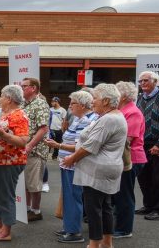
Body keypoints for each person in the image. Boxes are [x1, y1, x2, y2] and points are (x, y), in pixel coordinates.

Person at [62, 83, 127, 248]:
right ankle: (106, 242)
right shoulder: (113, 116)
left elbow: (91, 145)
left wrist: (72, 158)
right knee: (104, 207)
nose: (93, 102)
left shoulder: (109, 119)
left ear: (105, 101)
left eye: (96, 98)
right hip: (105, 168)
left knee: (94, 209)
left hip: (98, 170)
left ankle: (94, 244)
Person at [45, 90, 97, 243]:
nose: (70, 106)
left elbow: (80, 146)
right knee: (69, 197)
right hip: (68, 163)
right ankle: (69, 227)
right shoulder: (79, 118)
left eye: (72, 103)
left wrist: (57, 145)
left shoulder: (86, 121)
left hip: (74, 164)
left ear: (82, 105)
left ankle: (74, 231)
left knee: (73, 197)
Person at [0, 84, 29, 242]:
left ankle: (6, 231)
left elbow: (23, 141)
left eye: (1, 96)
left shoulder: (19, 116)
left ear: (9, 99)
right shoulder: (0, 113)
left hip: (9, 162)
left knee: (5, 196)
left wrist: (4, 135)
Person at [112, 81, 147, 238]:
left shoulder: (132, 112)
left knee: (124, 195)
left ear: (124, 96)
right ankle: (119, 225)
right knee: (119, 194)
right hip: (125, 158)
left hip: (131, 158)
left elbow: (128, 139)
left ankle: (124, 229)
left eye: (116, 93)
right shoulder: (124, 110)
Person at [20, 77, 50, 221]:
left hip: (35, 150)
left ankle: (36, 211)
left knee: (34, 183)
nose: (22, 88)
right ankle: (26, 208)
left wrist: (30, 145)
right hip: (23, 149)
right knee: (25, 182)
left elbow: (43, 128)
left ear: (33, 88)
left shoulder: (40, 104)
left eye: (24, 86)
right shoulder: (23, 104)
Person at [135, 71, 159, 221]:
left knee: (158, 178)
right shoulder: (140, 98)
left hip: (158, 144)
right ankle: (149, 205)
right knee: (143, 176)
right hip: (142, 143)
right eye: (140, 81)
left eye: (145, 80)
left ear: (155, 81)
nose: (142, 84)